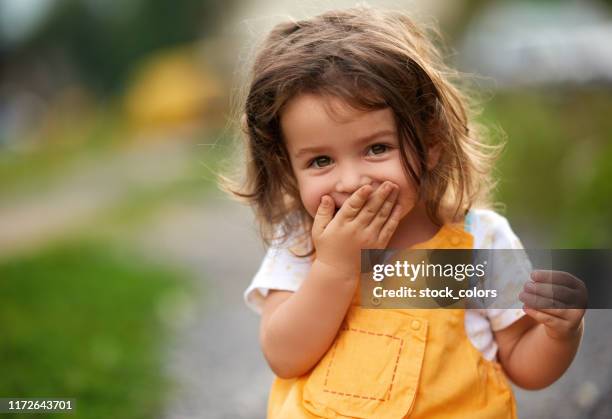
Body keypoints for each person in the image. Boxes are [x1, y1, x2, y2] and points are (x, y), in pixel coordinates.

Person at [221, 6, 585, 418]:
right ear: (287, 167)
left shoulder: (476, 243)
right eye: (320, 161)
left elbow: (522, 362)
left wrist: (560, 335)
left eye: (377, 148)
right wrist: (336, 268)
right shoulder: (303, 241)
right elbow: (285, 357)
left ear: (430, 144)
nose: (352, 180)